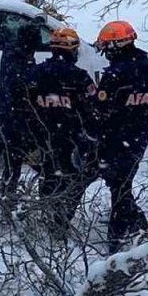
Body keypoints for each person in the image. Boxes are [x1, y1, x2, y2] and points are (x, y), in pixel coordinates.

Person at [92, 20, 148, 254]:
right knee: (121, 184)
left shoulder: (115, 76)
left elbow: (100, 111)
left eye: (107, 47)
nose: (105, 53)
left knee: (118, 186)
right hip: (141, 135)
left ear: (116, 46)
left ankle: (116, 243)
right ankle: (139, 227)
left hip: (116, 137)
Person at [22, 27, 99, 237]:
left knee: (48, 176)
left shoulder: (34, 74)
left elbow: (23, 107)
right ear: (72, 50)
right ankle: (60, 222)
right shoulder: (79, 77)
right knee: (73, 179)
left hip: (40, 138)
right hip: (71, 139)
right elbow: (93, 109)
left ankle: (49, 216)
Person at [0, 22, 38, 208]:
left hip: (13, 117)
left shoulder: (14, 53)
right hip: (16, 119)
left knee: (13, 166)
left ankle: (9, 199)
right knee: (13, 166)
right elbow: (20, 85)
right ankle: (9, 204)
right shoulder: (18, 58)